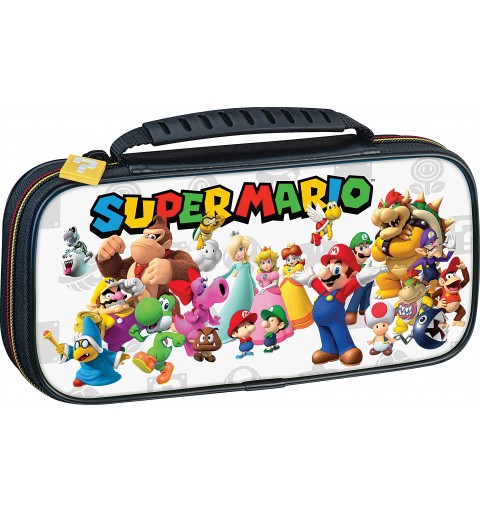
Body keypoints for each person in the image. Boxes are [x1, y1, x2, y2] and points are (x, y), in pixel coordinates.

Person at [279, 243, 313, 329]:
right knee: (287, 304)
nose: (291, 261)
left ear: (298, 258)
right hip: (285, 288)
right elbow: (283, 274)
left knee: (298, 303)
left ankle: (300, 321)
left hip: (296, 288)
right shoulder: (286, 268)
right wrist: (283, 277)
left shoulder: (298, 267)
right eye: (288, 259)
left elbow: (300, 274)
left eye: (293, 258)